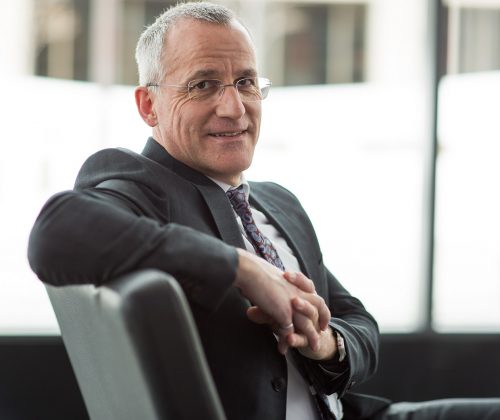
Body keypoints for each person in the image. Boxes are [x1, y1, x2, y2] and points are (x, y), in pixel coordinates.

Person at [27, 2, 500, 419]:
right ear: (149, 105)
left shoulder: (277, 202)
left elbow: (358, 323)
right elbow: (56, 232)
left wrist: (325, 343)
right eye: (204, 84)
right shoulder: (142, 187)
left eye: (246, 82)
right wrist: (242, 268)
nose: (234, 108)